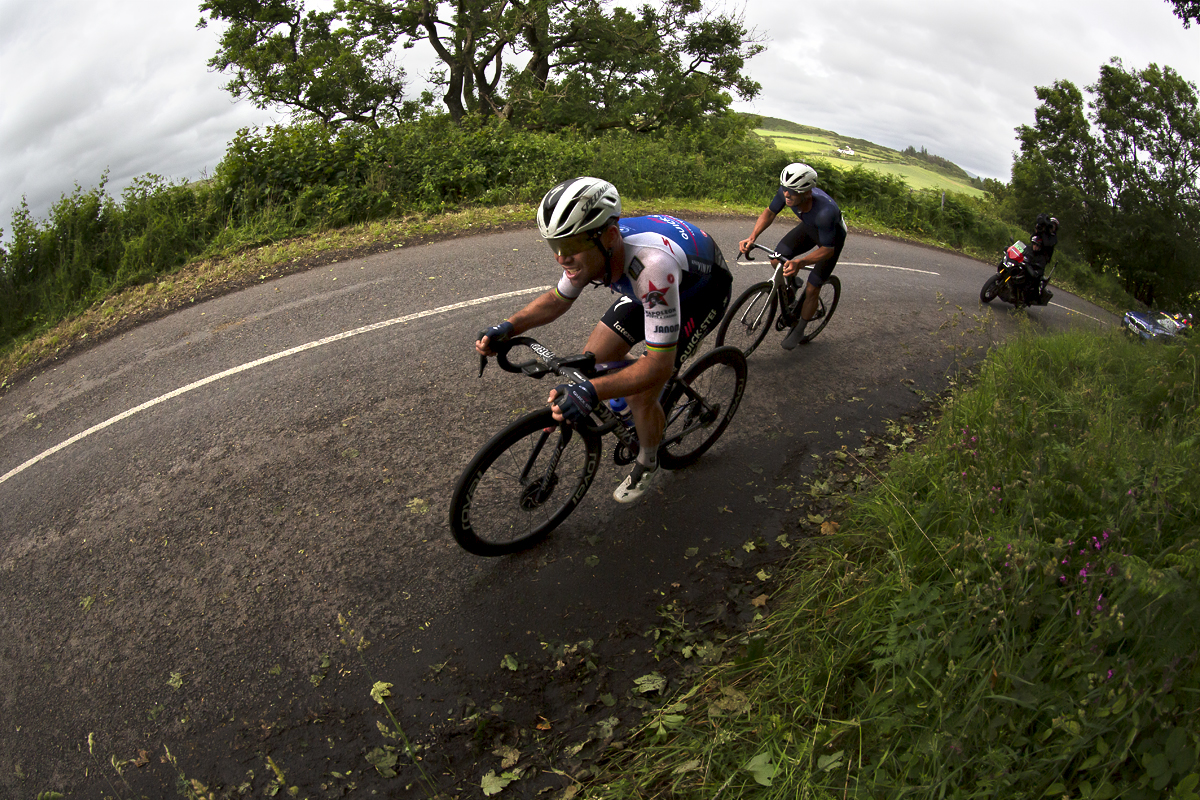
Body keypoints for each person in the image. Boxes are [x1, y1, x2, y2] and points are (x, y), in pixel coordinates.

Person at [476, 177, 733, 503]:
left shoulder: (651, 268)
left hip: (700, 293)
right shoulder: (594, 246)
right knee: (591, 362)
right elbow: (557, 300)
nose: (561, 258)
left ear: (610, 236)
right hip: (650, 289)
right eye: (555, 246)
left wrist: (595, 389)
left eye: (569, 247)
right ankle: (630, 385)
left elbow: (658, 364)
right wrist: (508, 327)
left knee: (641, 394)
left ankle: (648, 460)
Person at [738, 163, 848, 349]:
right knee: (776, 258)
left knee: (813, 288)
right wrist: (752, 237)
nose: (786, 194)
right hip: (809, 228)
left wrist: (801, 262)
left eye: (793, 191)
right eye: (785, 189)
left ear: (806, 193)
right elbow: (770, 212)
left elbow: (828, 249)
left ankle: (800, 328)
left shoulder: (825, 213)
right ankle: (794, 283)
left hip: (830, 242)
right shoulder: (786, 193)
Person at [1023, 213, 1058, 305]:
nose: (1051, 227)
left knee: (1035, 277)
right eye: (1051, 225)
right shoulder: (1043, 232)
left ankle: (1027, 299)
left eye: (1054, 226)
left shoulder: (1053, 238)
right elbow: (1032, 238)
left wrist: (1043, 233)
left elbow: (1047, 243)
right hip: (1033, 253)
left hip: (1042, 260)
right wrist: (1038, 229)